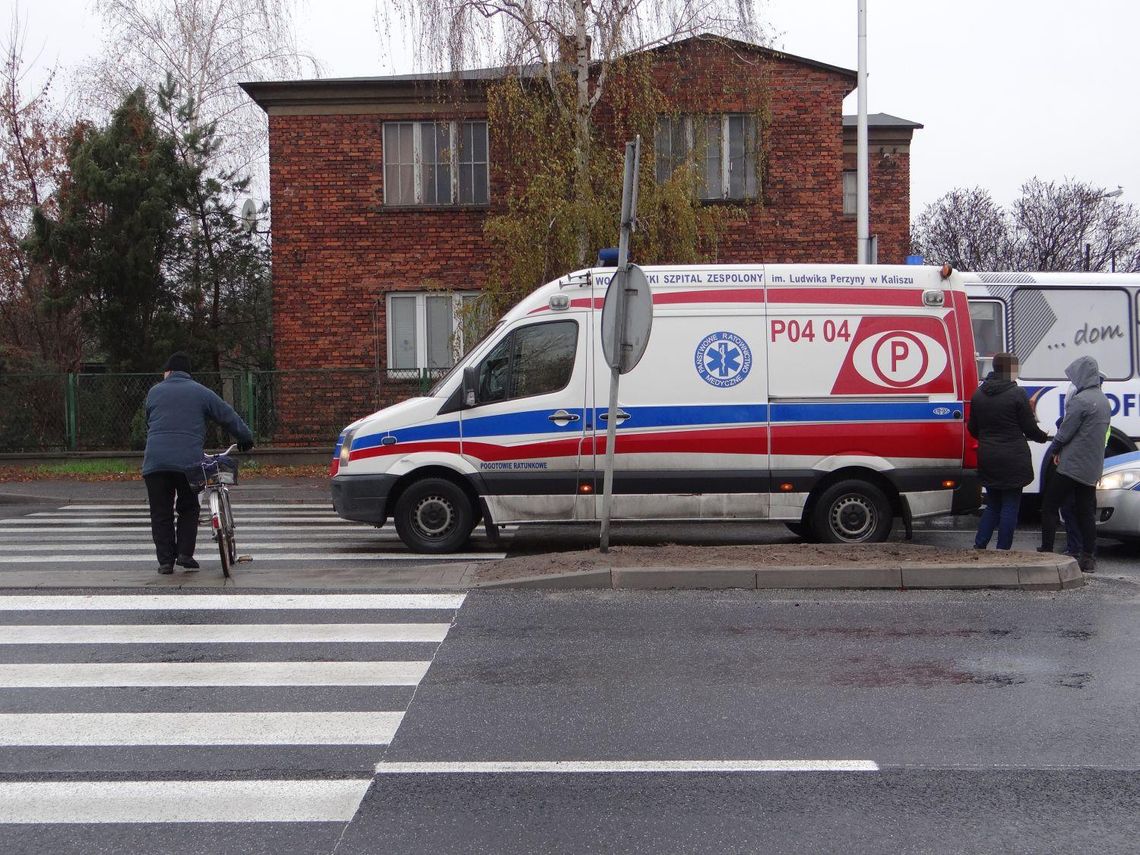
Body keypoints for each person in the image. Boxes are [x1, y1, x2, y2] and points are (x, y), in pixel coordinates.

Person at [143, 352, 254, 574]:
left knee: (160, 511)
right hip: (188, 463)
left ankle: (166, 562)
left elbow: (149, 421)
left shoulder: (154, 392)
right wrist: (245, 437)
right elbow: (226, 415)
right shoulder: (201, 392)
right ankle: (185, 554)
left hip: (155, 462)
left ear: (169, 371)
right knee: (189, 506)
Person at [968, 352, 1050, 550]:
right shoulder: (1017, 394)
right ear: (1008, 370)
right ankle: (1003, 550)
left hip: (988, 456)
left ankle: (980, 545)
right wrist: (1043, 436)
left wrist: (988, 439)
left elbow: (972, 428)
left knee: (993, 504)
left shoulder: (978, 394)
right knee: (1010, 505)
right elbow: (1029, 427)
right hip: (1013, 457)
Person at [1038, 355, 1111, 574]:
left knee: (1050, 505)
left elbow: (1065, 432)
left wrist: (1056, 449)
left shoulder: (1081, 400)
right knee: (1086, 511)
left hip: (1072, 466)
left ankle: (1047, 552)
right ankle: (1088, 558)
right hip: (1091, 467)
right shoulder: (1103, 400)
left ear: (1082, 375)